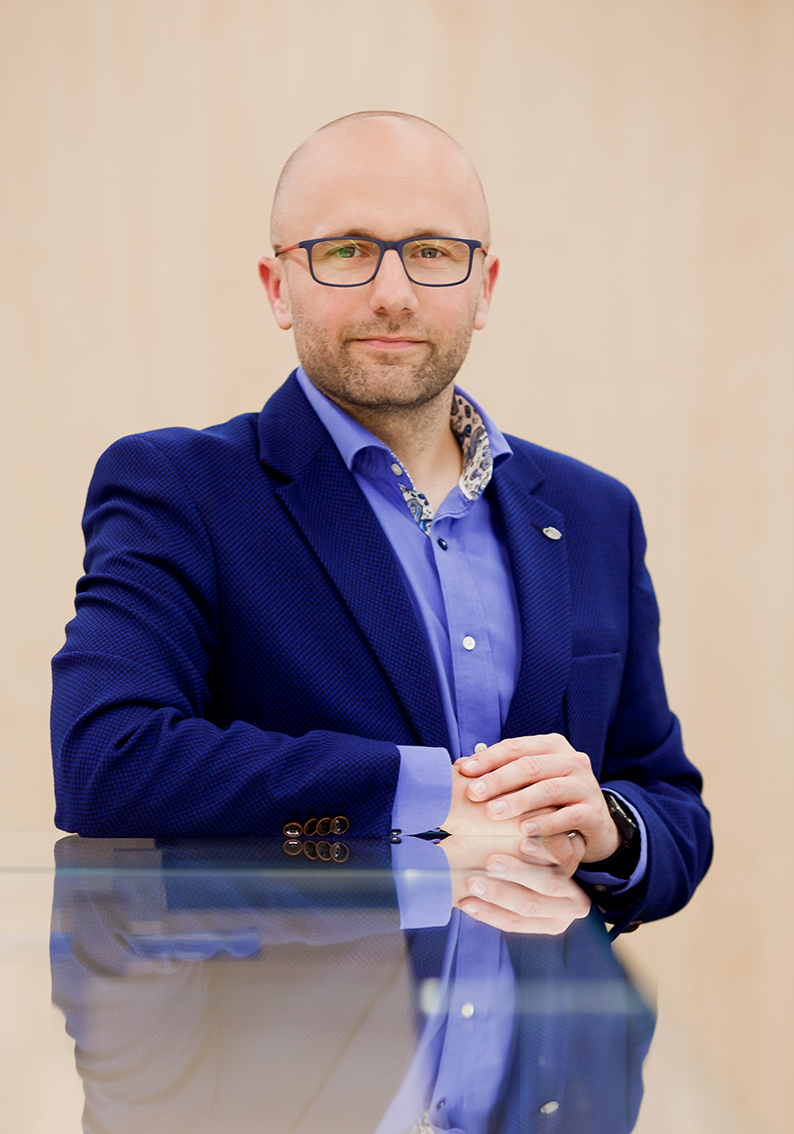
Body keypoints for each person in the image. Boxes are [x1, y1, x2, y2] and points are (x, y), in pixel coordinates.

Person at [51, 111, 712, 938]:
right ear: (278, 287)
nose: (393, 294)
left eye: (432, 251)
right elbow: (107, 761)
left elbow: (671, 803)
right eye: (346, 251)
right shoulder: (180, 489)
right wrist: (428, 797)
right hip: (305, 1015)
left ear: (484, 286)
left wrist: (611, 827)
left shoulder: (594, 512)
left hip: (540, 1014)